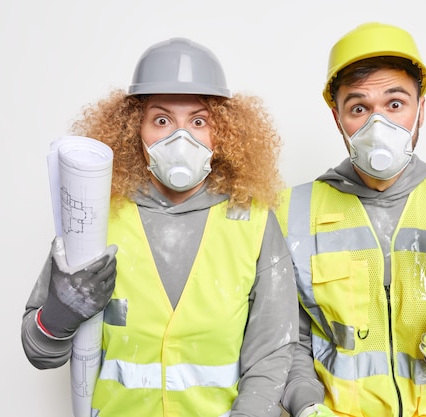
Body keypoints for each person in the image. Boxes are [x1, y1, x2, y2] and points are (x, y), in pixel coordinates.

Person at [21, 37, 299, 417]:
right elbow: (39, 353)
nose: (179, 139)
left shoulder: (252, 221)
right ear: (136, 128)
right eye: (162, 120)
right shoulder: (95, 218)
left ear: (223, 134)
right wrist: (58, 314)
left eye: (198, 122)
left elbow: (272, 356)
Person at [276, 22, 426, 417]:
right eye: (359, 108)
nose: (379, 126)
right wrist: (305, 404)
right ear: (338, 119)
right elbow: (287, 342)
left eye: (395, 104)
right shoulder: (291, 212)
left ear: (420, 109)